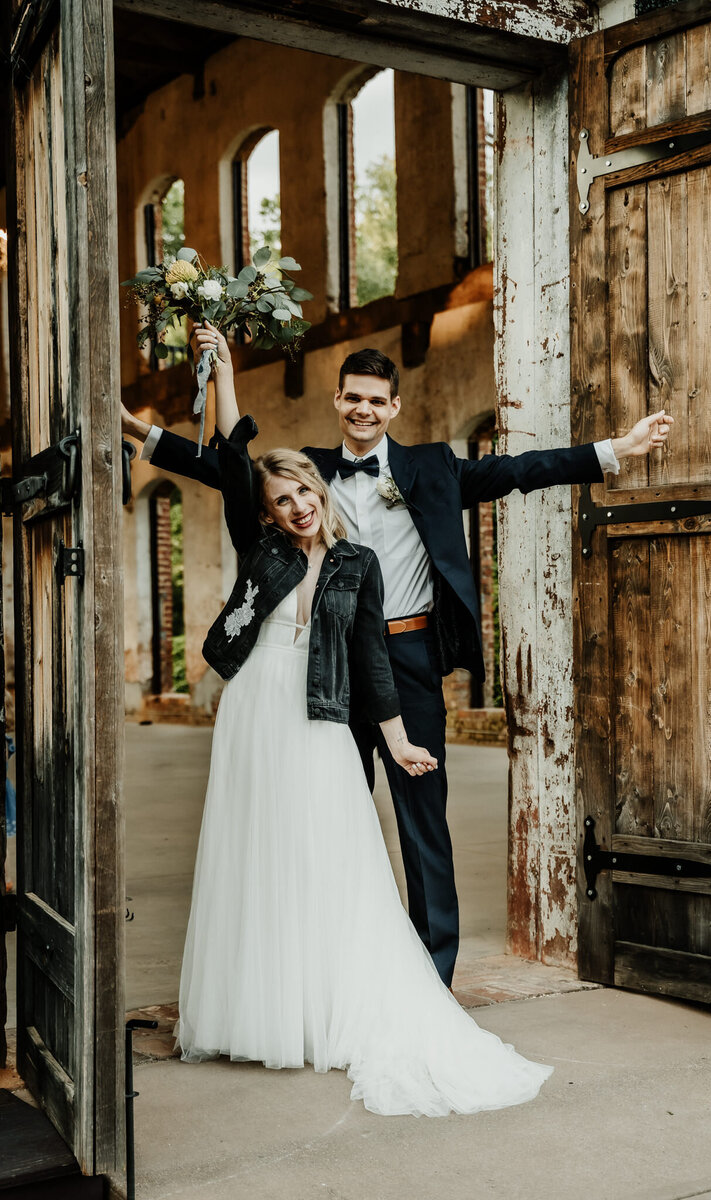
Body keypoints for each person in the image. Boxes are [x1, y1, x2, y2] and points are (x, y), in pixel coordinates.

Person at [122, 326, 672, 987]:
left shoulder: (434, 466)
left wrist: (617, 449)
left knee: (422, 818)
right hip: (323, 660)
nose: (364, 410)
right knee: (329, 812)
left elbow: (521, 470)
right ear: (337, 400)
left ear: (394, 408)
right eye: (353, 397)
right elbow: (231, 471)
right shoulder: (310, 474)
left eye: (376, 401)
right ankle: (336, 967)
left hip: (408, 655)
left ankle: (432, 976)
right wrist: (141, 433)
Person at [174, 407, 554, 1116]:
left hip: (320, 712)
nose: (298, 508)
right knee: (259, 849)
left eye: (305, 493)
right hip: (254, 710)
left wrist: (400, 736)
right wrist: (222, 368)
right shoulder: (260, 547)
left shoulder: (358, 564)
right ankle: (263, 1008)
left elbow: (372, 660)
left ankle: (331, 1001)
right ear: (267, 511)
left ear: (321, 492)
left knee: (331, 848)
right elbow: (230, 460)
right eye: (281, 499)